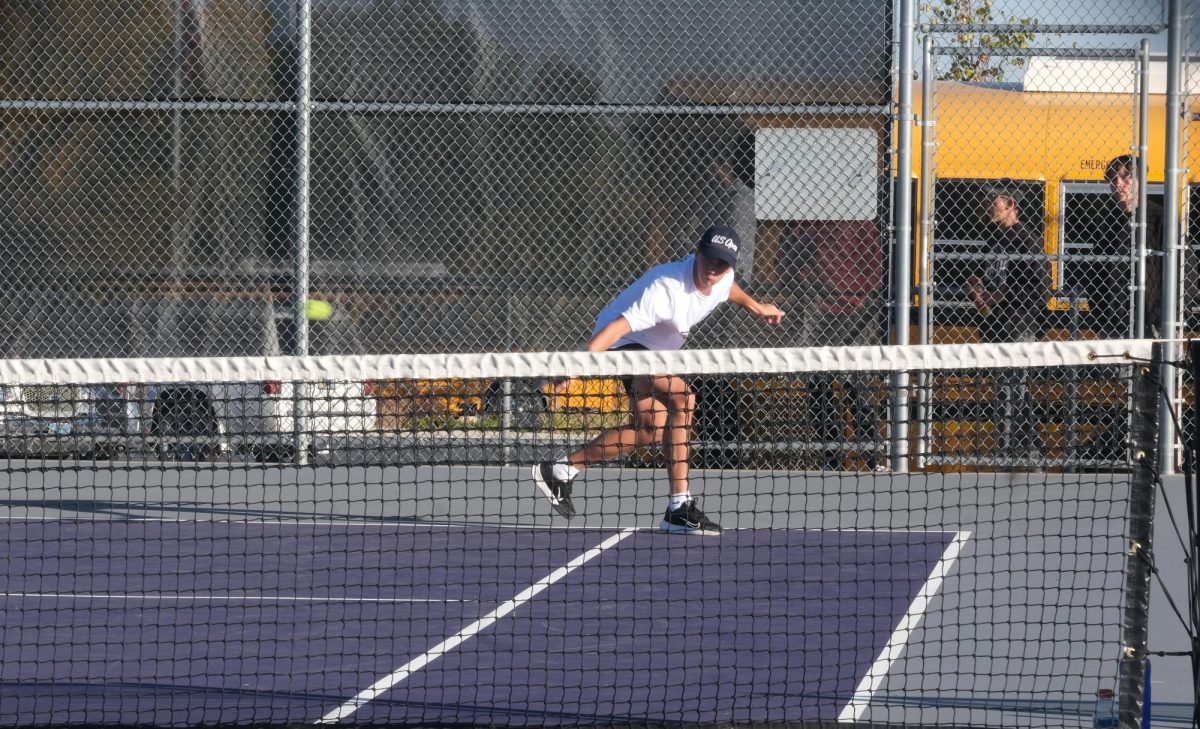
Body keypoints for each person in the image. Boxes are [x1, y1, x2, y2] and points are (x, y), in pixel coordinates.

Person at [531, 224, 785, 535]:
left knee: (649, 431)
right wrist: (577, 365)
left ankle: (560, 470)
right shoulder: (665, 289)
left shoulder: (722, 276)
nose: (713, 271)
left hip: (656, 351)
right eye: (709, 261)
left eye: (722, 265)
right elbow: (618, 328)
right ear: (697, 252)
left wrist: (757, 307)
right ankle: (679, 506)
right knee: (684, 399)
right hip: (625, 345)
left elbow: (727, 288)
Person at [780, 219, 885, 471]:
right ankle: (831, 457)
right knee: (818, 384)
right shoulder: (800, 226)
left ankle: (872, 457)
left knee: (856, 384)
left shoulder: (862, 226)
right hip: (815, 312)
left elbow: (875, 271)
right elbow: (786, 269)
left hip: (855, 313)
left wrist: (845, 290)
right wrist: (808, 283)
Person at [967, 183, 1050, 460]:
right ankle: (1017, 447)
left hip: (1018, 325)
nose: (988, 206)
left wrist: (999, 295)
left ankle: (1020, 449)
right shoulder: (993, 237)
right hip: (995, 325)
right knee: (1005, 391)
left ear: (1011, 204)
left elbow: (1042, 287)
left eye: (994, 201)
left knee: (1012, 391)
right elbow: (986, 273)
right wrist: (977, 285)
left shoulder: (1026, 239)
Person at [1100, 154, 1164, 338]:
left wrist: (1164, 316)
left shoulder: (1162, 220)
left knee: (1159, 366)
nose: (1117, 184)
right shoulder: (1106, 224)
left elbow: (1185, 273)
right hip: (1115, 322)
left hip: (1156, 324)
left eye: (1124, 177)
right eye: (1112, 178)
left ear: (1140, 180)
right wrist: (1102, 314)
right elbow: (1094, 272)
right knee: (1116, 367)